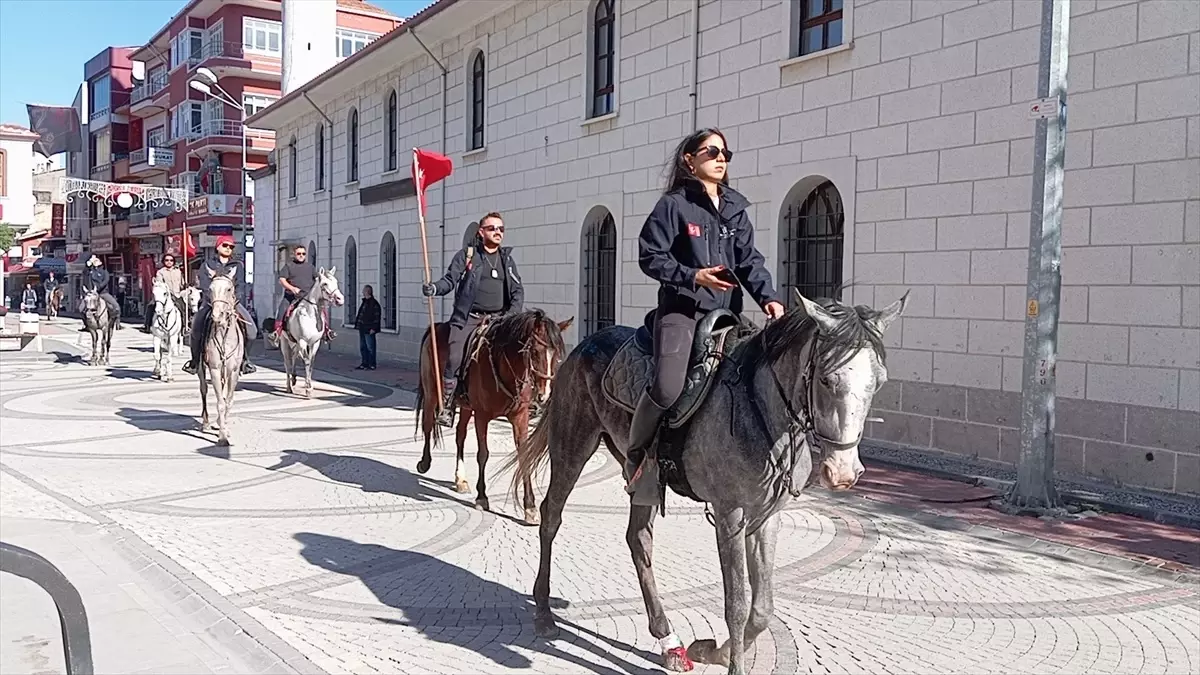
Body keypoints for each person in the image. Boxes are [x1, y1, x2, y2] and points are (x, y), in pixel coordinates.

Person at [625, 127, 786, 505]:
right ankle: (639, 457)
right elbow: (650, 255)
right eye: (711, 151)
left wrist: (769, 299)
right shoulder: (674, 205)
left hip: (726, 314)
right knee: (667, 386)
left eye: (725, 153)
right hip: (681, 311)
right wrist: (691, 275)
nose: (720, 158)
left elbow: (749, 262)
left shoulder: (735, 207)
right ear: (689, 159)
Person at [421, 212, 525, 427]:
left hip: (500, 319)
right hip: (469, 317)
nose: (497, 232)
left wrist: (512, 316)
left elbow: (517, 290)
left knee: (522, 351)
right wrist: (434, 288)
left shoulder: (507, 259)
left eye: (501, 229)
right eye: (492, 228)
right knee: (455, 354)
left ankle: (524, 399)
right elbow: (450, 280)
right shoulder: (467, 255)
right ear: (481, 231)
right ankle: (448, 405)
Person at [182, 235, 258, 376]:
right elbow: (205, 285)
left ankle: (245, 361)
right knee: (196, 329)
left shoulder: (238, 265)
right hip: (211, 303)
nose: (228, 248)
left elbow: (241, 285)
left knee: (252, 331)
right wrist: (214, 300)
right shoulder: (207, 265)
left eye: (231, 247)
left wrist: (236, 298)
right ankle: (194, 362)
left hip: (232, 303)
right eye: (225, 245)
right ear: (218, 247)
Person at [270, 244, 331, 345]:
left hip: (308, 296)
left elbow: (317, 279)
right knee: (282, 310)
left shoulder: (310, 267)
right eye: (299, 253)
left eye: (303, 253)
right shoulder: (288, 266)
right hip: (292, 296)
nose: (301, 255)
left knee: (322, 310)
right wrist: (292, 288)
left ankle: (327, 331)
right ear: (294, 254)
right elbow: (282, 280)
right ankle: (276, 333)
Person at [143, 253, 186, 331]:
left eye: (171, 260)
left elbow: (182, 284)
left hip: (177, 295)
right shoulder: (160, 272)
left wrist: (185, 286)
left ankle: (184, 326)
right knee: (151, 306)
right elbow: (159, 284)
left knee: (184, 308)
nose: (169, 262)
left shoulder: (178, 271)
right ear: (163, 261)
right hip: (165, 295)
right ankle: (147, 325)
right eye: (167, 260)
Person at [80, 255, 122, 331]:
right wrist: (88, 263)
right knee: (81, 308)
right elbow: (84, 272)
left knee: (116, 307)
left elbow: (105, 281)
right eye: (94, 260)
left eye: (97, 260)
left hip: (103, 293)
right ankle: (86, 325)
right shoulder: (90, 271)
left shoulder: (104, 272)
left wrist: (98, 288)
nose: (95, 261)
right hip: (92, 294)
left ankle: (117, 324)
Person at [354, 284, 382, 370]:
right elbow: (361, 314)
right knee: (363, 347)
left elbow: (377, 317)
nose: (362, 292)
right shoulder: (364, 302)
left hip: (369, 329)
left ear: (367, 292)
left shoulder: (374, 303)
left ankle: (372, 364)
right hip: (362, 328)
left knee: (370, 347)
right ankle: (364, 363)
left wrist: (374, 328)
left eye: (364, 290)